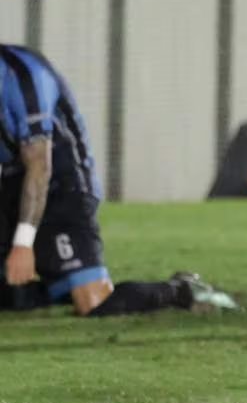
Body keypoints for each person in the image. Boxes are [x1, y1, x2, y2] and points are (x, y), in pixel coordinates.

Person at [0, 44, 234, 315]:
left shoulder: (25, 78)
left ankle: (180, 290)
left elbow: (40, 168)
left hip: (61, 186)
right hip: (11, 182)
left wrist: (23, 243)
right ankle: (56, 288)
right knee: (10, 293)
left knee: (94, 303)